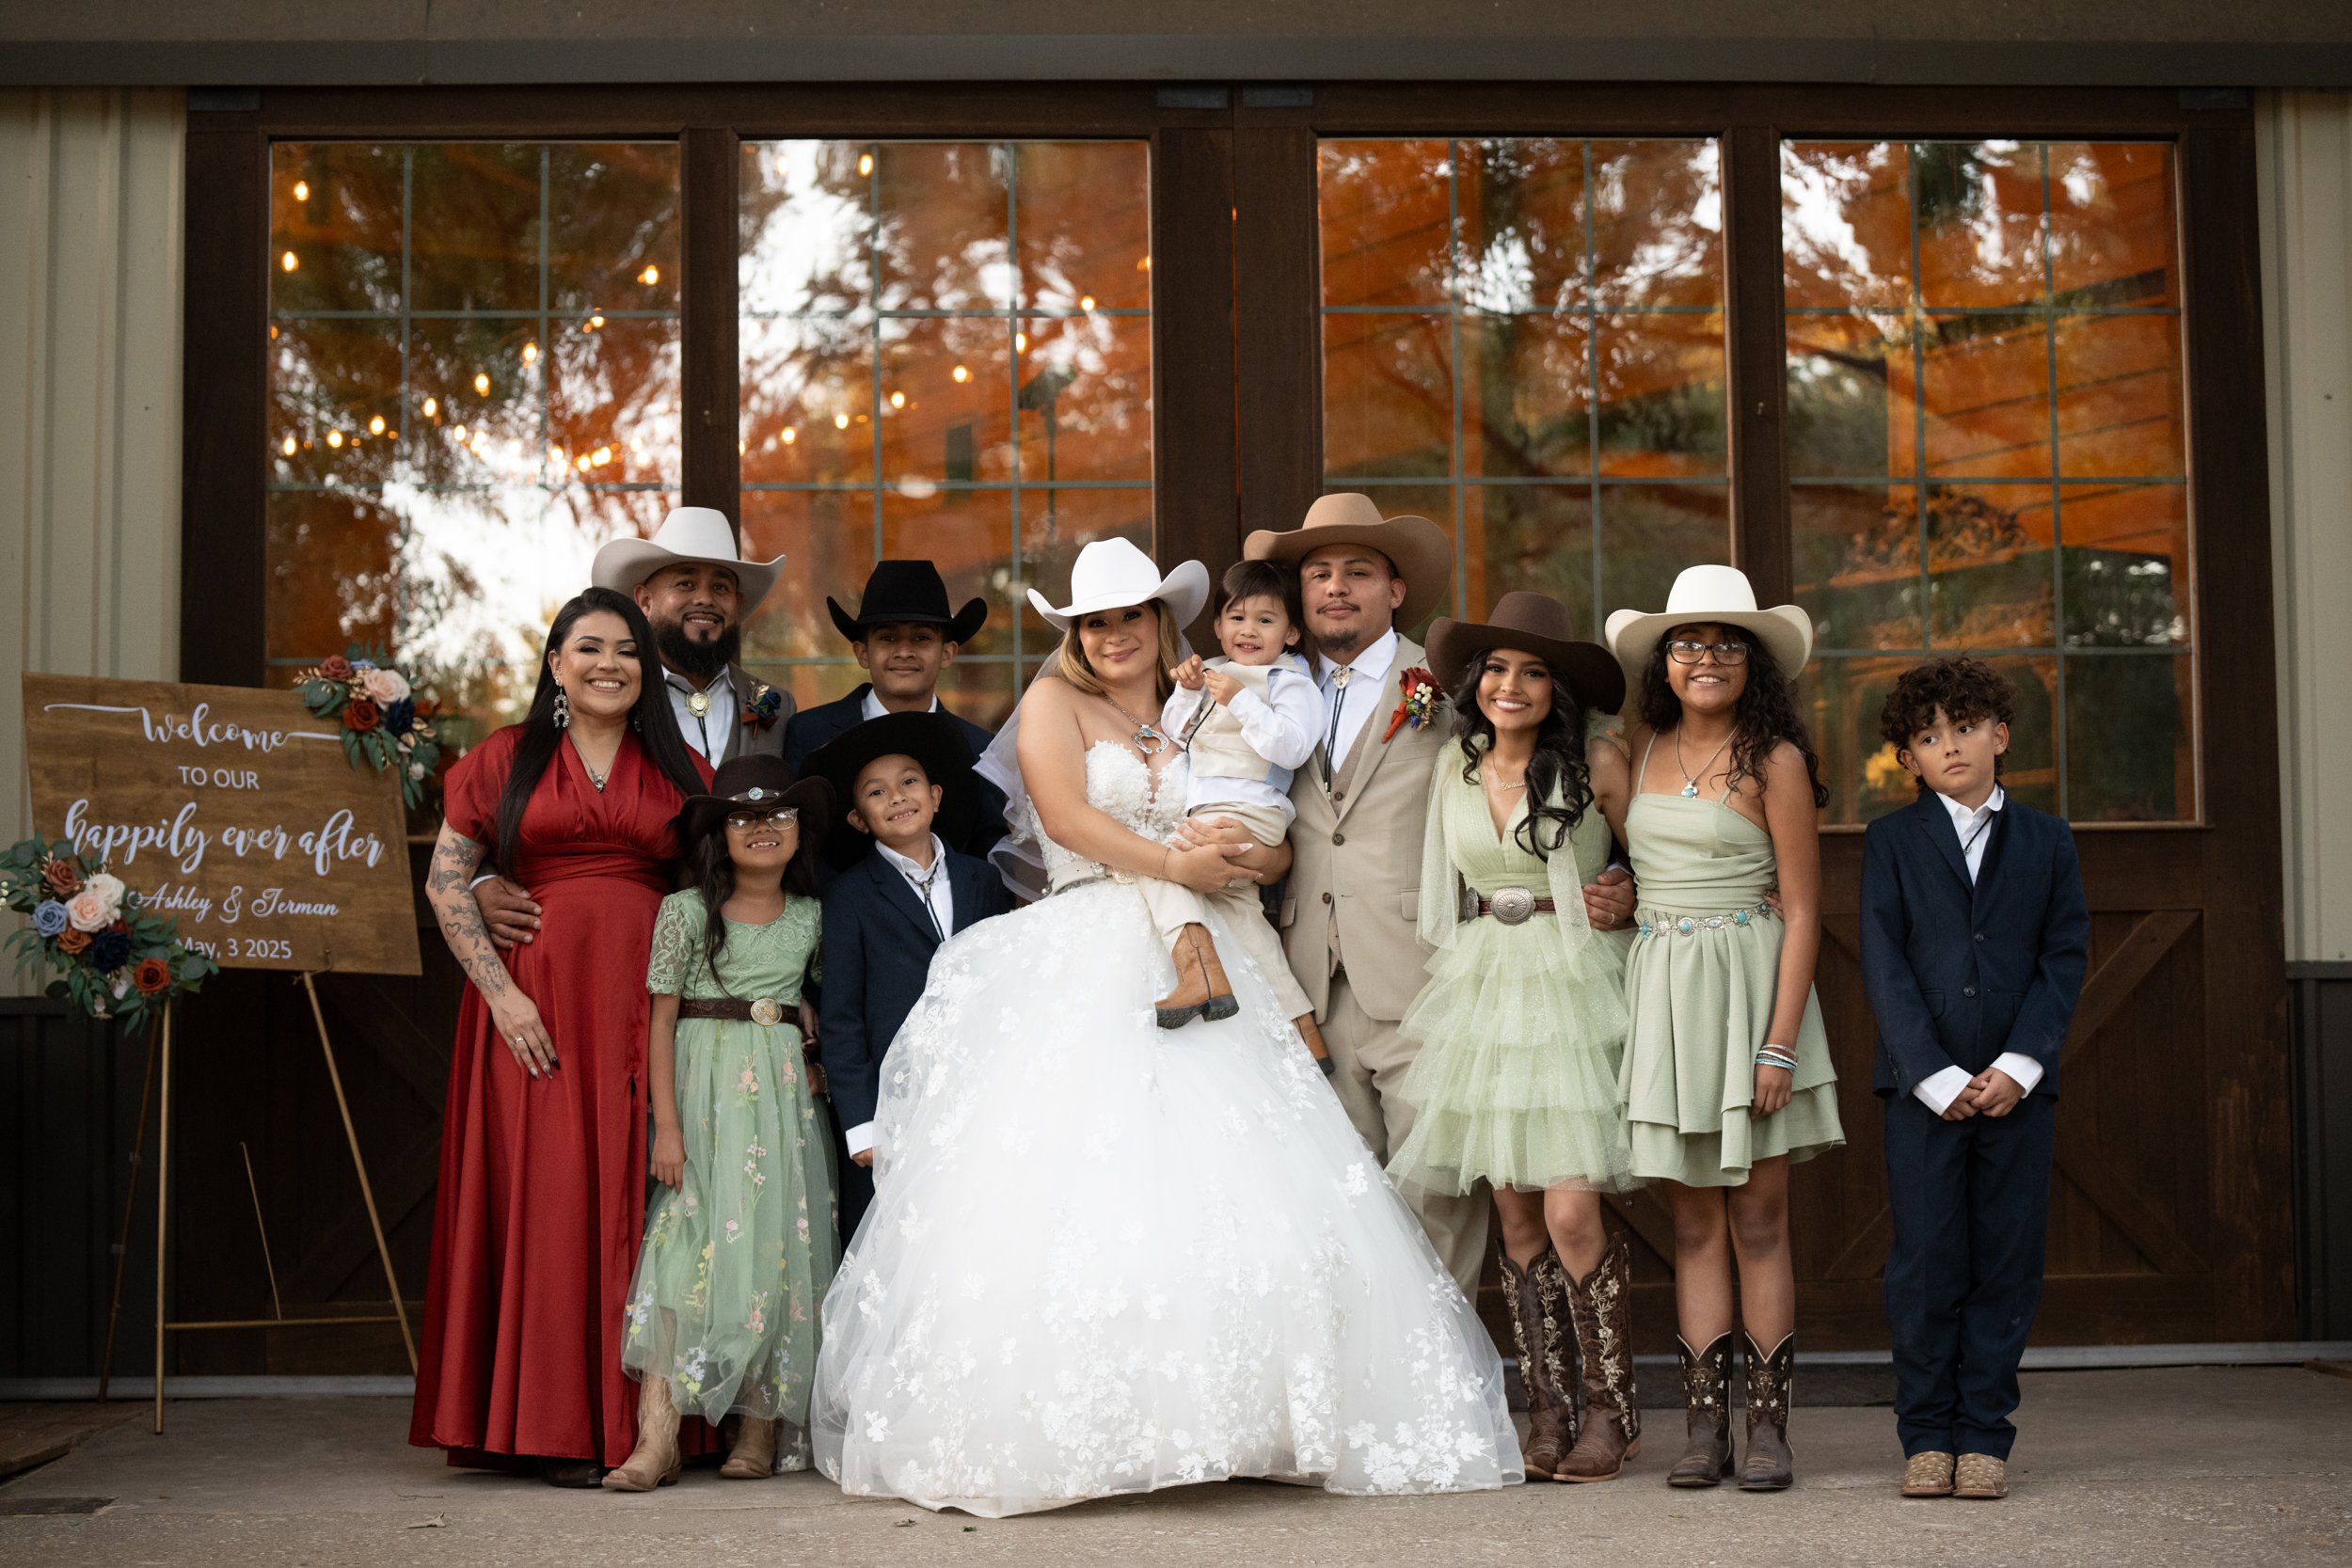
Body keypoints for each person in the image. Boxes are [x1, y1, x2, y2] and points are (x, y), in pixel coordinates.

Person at [807, 538, 1522, 1517]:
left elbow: (1271, 807)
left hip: (1218, 937)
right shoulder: (1053, 704)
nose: (1112, 636)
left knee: (1244, 1183)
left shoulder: (1207, 697)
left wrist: (1258, 862)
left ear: (1159, 622)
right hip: (1094, 943)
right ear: (1076, 634)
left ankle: (1247, 1419)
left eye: (1129, 617)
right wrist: (1173, 866)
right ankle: (1098, 1424)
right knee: (1091, 1187)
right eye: (1093, 621)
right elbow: (1066, 818)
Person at [1230, 492, 1639, 1298]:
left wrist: (1620, 876)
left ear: (1396, 589)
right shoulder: (1265, 684)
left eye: (1357, 571)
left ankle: (1444, 1375)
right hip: (1306, 982)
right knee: (1336, 1205)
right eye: (1318, 572)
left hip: (1432, 976)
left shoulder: (1456, 688)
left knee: (1437, 1203)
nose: (1335, 586)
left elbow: (1560, 780)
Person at [410, 587, 713, 1486]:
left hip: (649, 1008)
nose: (609, 664)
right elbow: (446, 881)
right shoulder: (505, 756)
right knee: (550, 1199)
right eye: (589, 647)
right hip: (532, 1011)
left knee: (644, 1201)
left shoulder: (682, 765)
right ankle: (550, 1424)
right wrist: (502, 996)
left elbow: (717, 890)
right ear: (555, 663)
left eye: (626, 649)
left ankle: (647, 1427)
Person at [1386, 592, 1644, 1483]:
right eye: (1496, 668)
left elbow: (1654, 859)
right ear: (1475, 682)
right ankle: (1548, 1409)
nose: (1511, 684)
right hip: (1485, 983)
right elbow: (1438, 887)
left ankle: (1611, 1408)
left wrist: (1628, 891)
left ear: (1557, 690)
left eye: (1534, 671)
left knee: (1570, 1208)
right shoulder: (1453, 768)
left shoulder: (1598, 762)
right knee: (1517, 1211)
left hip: (1572, 978)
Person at [1605, 564, 1845, 1493]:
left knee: (1758, 1216)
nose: (1704, 659)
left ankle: (1768, 1427)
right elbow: (1630, 866)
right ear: (1663, 663)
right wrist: (1614, 891)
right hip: (1664, 994)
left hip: (1750, 993)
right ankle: (1703, 1429)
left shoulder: (1773, 760)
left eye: (1725, 645)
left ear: (1753, 665)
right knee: (1693, 1223)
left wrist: (1779, 1044)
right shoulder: (1642, 746)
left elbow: (1803, 908)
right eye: (1687, 644)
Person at [1862, 658, 2087, 1503]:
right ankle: (1926, 1433)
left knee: (2006, 1261)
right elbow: (1884, 962)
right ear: (1908, 758)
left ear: (2001, 734)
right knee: (1925, 1263)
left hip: (2016, 1090)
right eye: (1928, 736)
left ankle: (1986, 1432)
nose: (1948, 745)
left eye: (1964, 727)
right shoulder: (1892, 841)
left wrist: (2022, 1064)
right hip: (1924, 1091)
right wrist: (1931, 1071)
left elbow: (2064, 955)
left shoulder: (2047, 840)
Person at [606, 754, 840, 1491]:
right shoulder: (684, 912)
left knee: (775, 1247)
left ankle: (759, 1426)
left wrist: (816, 1051)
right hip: (702, 1093)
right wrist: (667, 1127)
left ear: (799, 830)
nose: (763, 827)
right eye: (744, 817)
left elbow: (832, 1003)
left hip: (779, 1101)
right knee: (683, 1249)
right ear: (720, 834)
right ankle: (657, 1435)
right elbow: (660, 1020)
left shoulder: (813, 916)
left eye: (779, 815)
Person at [474, 507, 795, 950]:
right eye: (685, 584)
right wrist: (482, 881)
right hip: (636, 937)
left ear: (737, 605)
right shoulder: (609, 696)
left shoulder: (775, 705)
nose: (705, 599)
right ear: (643, 600)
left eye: (720, 587)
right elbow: (514, 805)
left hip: (750, 942)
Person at [806, 710, 1016, 1248]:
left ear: (936, 796)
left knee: (975, 1226)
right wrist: (860, 1122)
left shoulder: (983, 879)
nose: (897, 797)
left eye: (909, 782)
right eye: (876, 793)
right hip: (893, 1099)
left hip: (977, 1084)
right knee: (900, 1238)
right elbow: (842, 1018)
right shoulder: (849, 896)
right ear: (858, 820)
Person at [1150, 559, 1329, 1066]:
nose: (1248, 630)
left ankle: (1198, 972)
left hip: (1252, 806)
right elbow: (1178, 734)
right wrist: (1187, 691)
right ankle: (1302, 1029)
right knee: (1241, 914)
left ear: (1291, 632)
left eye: (1265, 620)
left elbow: (1291, 748)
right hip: (1212, 806)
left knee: (1154, 864)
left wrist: (1244, 702)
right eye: (1237, 618)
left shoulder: (1291, 682)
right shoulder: (1214, 672)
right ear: (1217, 625)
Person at [781, 559, 1008, 862]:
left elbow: (988, 855)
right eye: (887, 638)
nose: (904, 651)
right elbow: (797, 841)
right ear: (863, 652)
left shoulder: (982, 749)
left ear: (947, 653)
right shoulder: (809, 732)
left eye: (921, 638)